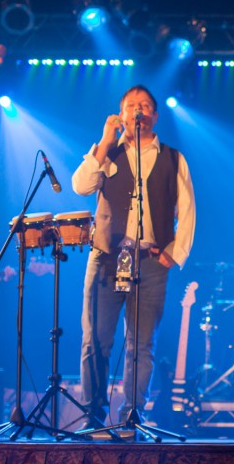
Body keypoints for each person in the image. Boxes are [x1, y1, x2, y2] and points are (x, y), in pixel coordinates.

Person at [71, 85, 195, 428]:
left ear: (154, 116)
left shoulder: (173, 158)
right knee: (95, 339)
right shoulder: (106, 153)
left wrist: (174, 254)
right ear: (121, 115)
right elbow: (81, 186)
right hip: (107, 258)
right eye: (130, 106)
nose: (137, 111)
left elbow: (187, 210)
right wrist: (104, 143)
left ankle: (131, 416)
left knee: (140, 345)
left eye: (144, 106)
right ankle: (92, 415)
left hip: (151, 261)